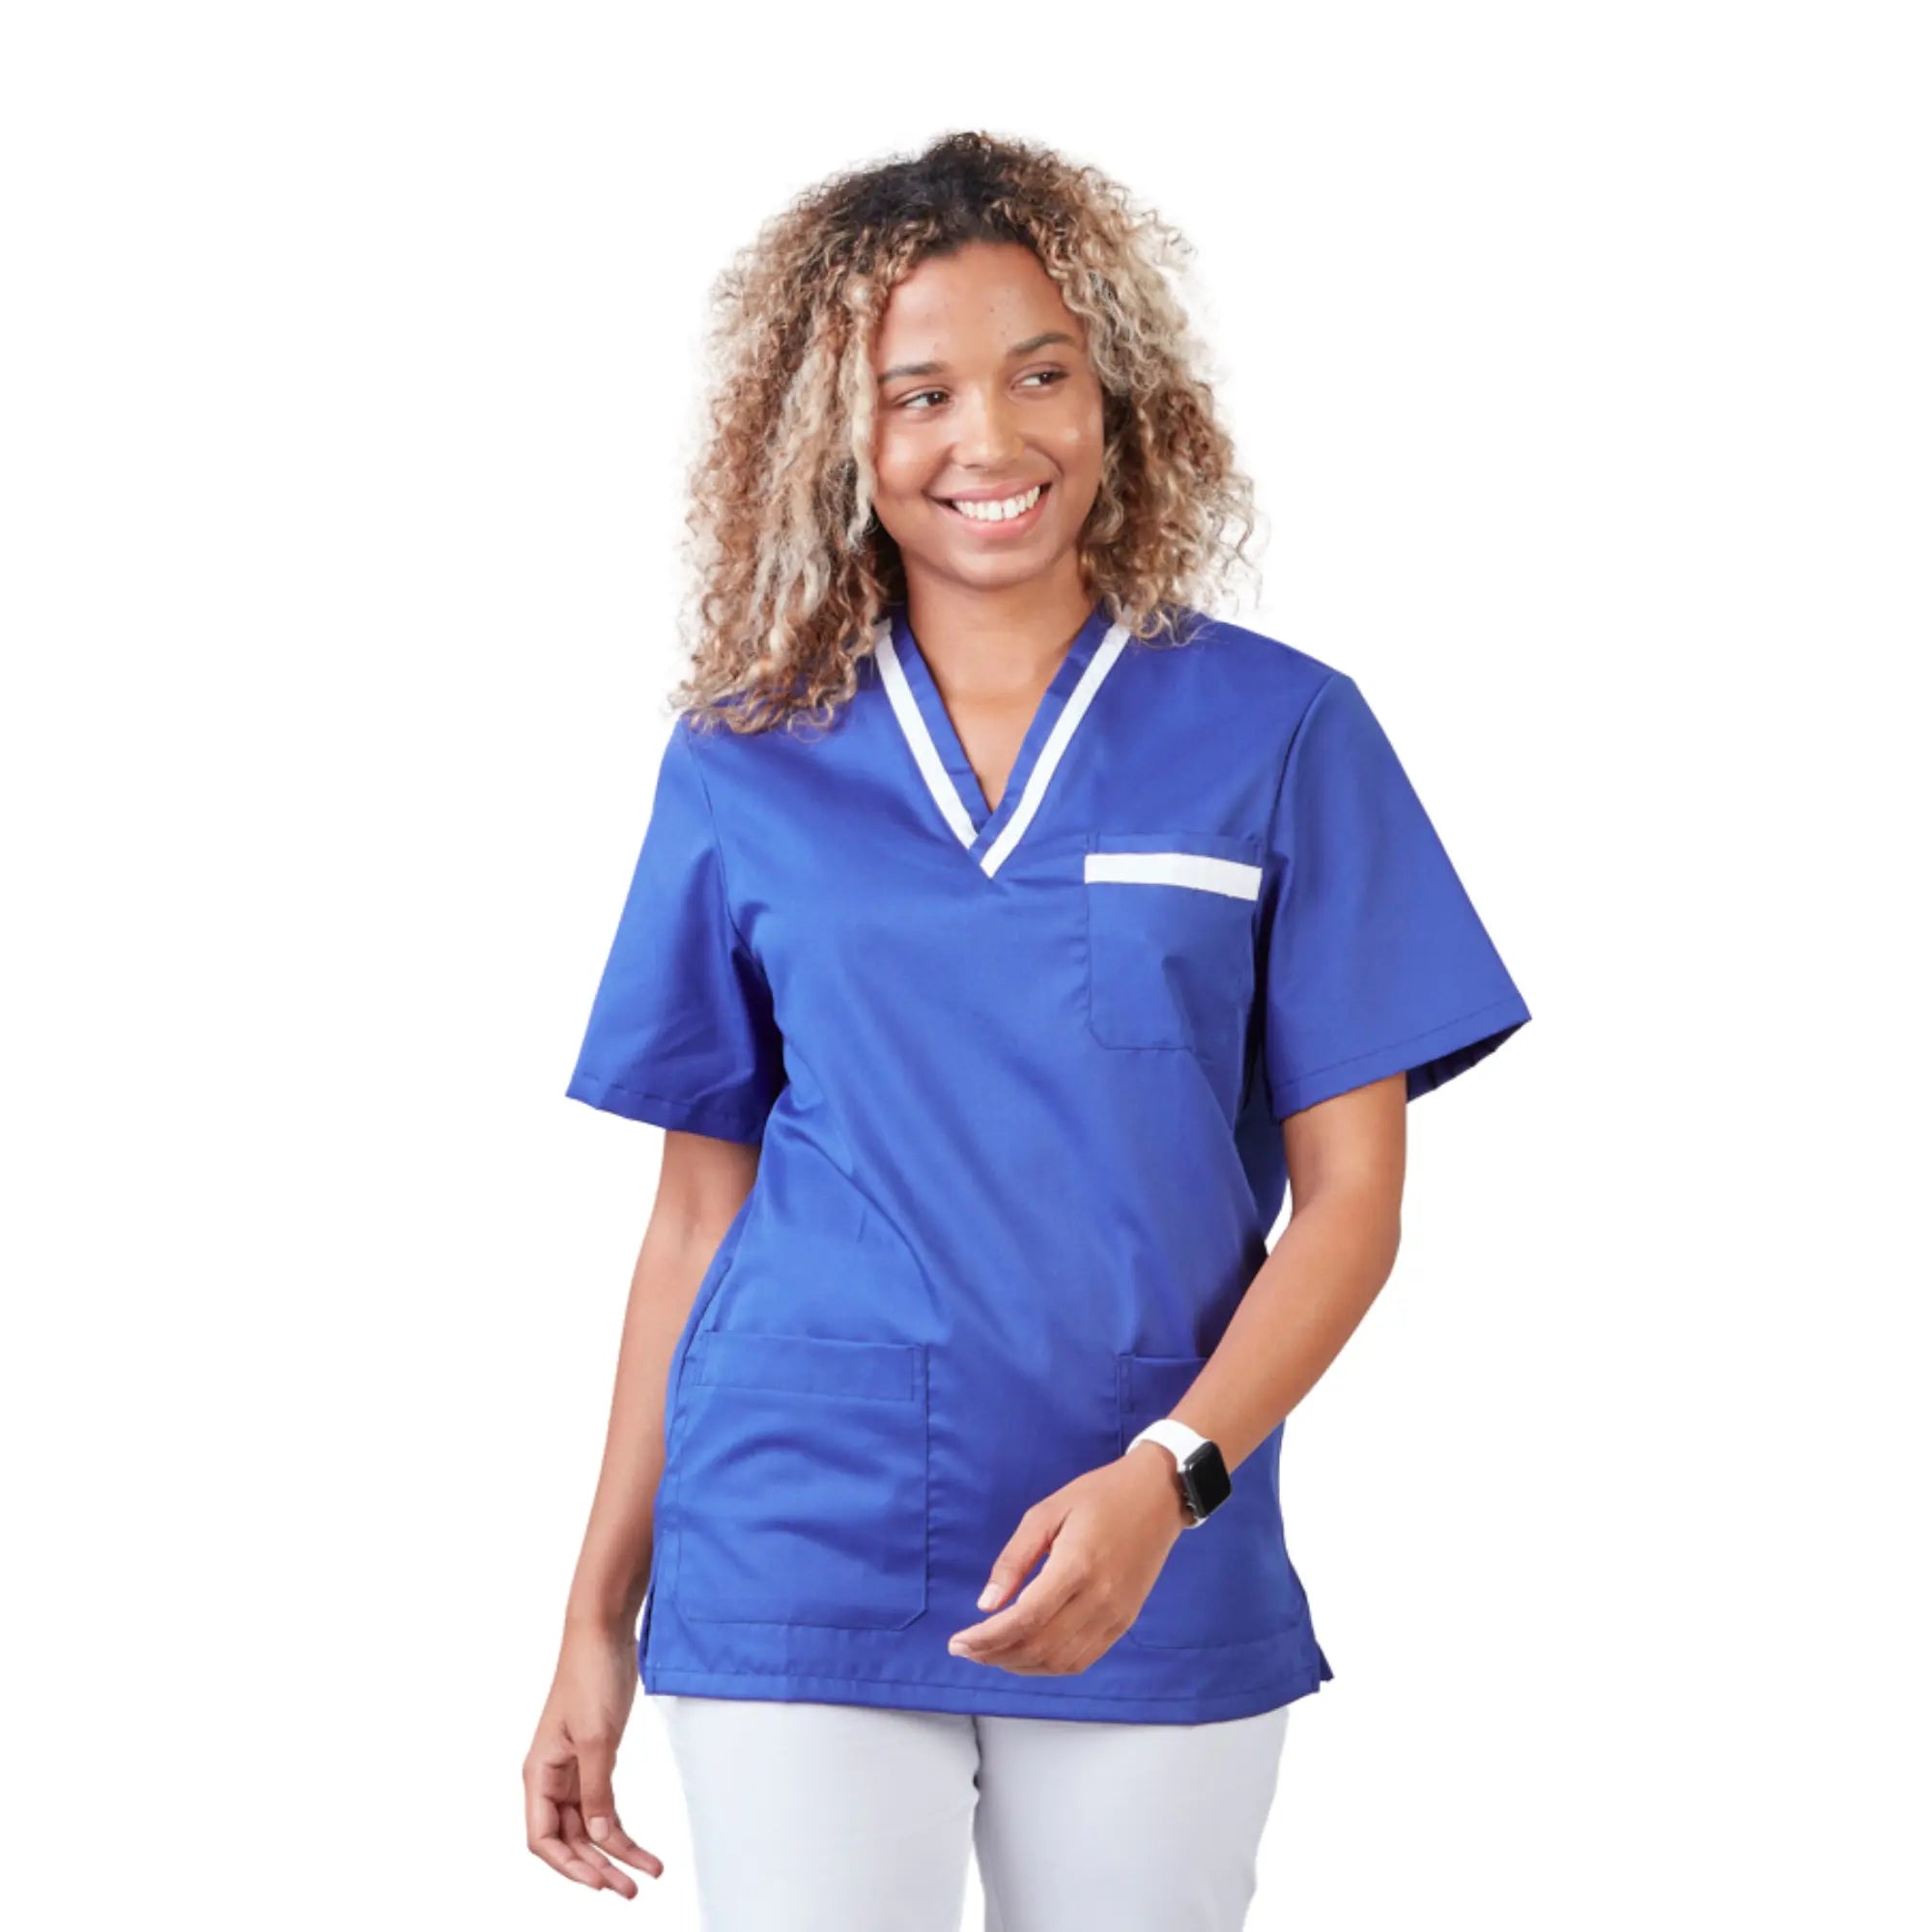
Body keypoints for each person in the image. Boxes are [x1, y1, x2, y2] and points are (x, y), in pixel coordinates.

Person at [523, 129, 1531, 1930]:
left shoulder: (1282, 734)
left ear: (1116, 395)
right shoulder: (743, 764)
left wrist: (1170, 1482)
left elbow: (1356, 1205)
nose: (989, 438)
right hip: (793, 1538)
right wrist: (595, 1616)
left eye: (1041, 373)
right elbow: (694, 1224)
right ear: (838, 435)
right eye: (919, 394)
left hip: (1154, 1538)